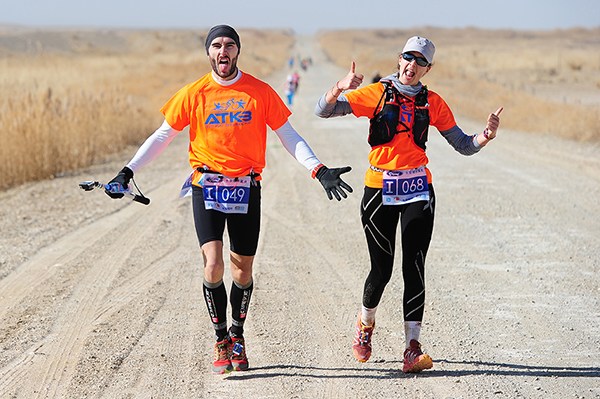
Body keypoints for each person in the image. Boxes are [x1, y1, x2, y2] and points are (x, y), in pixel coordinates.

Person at [105, 24, 353, 374]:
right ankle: (221, 337)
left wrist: (318, 169)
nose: (224, 51)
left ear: (238, 51)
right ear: (209, 53)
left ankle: (238, 334)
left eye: (230, 45)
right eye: (217, 45)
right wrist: (127, 171)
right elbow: (163, 136)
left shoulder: (259, 92)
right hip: (206, 186)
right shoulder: (194, 93)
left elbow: (288, 135)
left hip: (246, 188)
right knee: (213, 265)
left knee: (242, 270)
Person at [314, 35, 502, 373]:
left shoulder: (433, 102)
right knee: (381, 270)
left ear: (428, 68)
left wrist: (484, 137)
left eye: (419, 61)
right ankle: (365, 325)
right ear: (399, 59)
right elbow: (323, 110)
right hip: (379, 186)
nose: (411, 66)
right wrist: (339, 87)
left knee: (414, 267)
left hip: (418, 188)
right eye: (407, 58)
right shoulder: (377, 93)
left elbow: (461, 143)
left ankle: (412, 348)